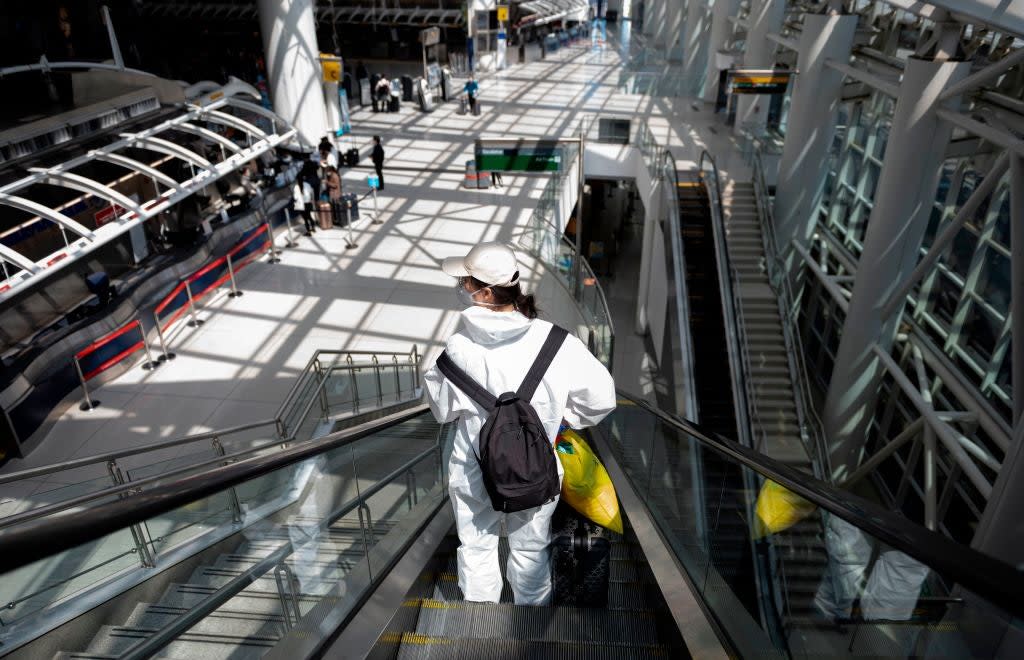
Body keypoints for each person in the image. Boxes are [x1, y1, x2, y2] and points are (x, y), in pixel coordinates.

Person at [423, 242, 616, 606]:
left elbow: (442, 412)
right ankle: (529, 622)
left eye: (465, 281)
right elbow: (602, 399)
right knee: (530, 552)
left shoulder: (456, 350)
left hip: (473, 467)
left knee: (477, 547)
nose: (461, 286)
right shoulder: (558, 342)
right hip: (536, 467)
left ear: (484, 292)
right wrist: (558, 420)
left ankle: (480, 623)